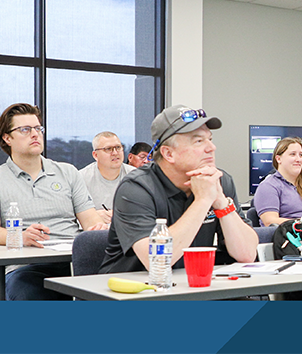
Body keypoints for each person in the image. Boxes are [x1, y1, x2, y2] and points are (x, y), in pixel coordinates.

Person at [0, 103, 112, 300]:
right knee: (31, 295)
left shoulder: (67, 172)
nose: (35, 134)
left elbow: (91, 222)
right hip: (26, 266)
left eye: (38, 128)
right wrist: (20, 236)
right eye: (25, 130)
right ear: (7, 138)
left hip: (73, 262)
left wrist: (99, 229)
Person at [101, 105, 258, 274]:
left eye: (210, 139)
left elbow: (247, 255)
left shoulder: (218, 181)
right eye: (198, 141)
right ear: (168, 154)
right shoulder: (136, 188)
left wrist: (221, 203)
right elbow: (157, 260)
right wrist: (203, 200)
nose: (211, 148)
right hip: (133, 287)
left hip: (193, 284)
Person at [77, 131, 128, 215]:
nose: (115, 153)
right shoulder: (81, 179)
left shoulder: (136, 176)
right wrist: (94, 216)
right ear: (95, 155)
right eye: (108, 149)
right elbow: (71, 216)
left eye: (118, 147)